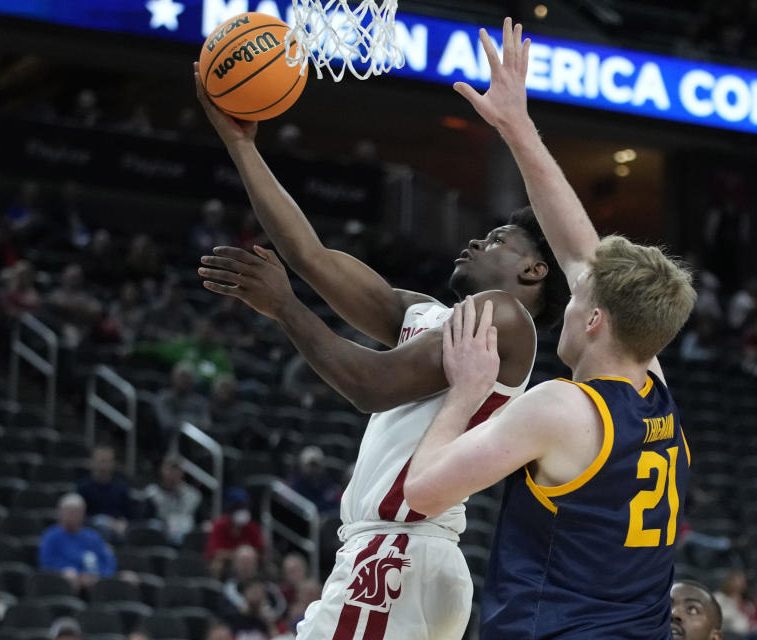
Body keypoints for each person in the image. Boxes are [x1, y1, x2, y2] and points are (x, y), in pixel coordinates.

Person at [194, 40, 567, 636]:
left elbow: (370, 385)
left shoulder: (502, 317)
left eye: (497, 238)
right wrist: (242, 146)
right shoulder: (427, 315)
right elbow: (308, 254)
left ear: (534, 271)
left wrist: (285, 308)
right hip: (398, 557)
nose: (475, 242)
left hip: (398, 552)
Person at [403, 19, 695, 639]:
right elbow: (578, 248)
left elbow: (424, 491)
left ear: (593, 320)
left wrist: (465, 394)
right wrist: (515, 123)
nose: (564, 296)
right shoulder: (654, 386)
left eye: (576, 297)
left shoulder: (561, 407)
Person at [39, 493, 117, 593]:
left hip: (96, 579)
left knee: (128, 577)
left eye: (76, 512)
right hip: (66, 580)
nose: (72, 516)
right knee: (70, 577)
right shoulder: (51, 536)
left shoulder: (92, 536)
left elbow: (108, 560)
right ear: (60, 513)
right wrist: (78, 574)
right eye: (69, 512)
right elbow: (46, 563)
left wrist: (98, 575)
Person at [205, 490, 265, 578]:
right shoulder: (220, 525)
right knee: (216, 565)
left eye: (245, 508)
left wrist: (247, 556)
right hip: (227, 563)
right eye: (239, 508)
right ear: (231, 510)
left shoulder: (252, 527)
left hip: (249, 562)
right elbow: (215, 553)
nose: (243, 511)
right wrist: (237, 555)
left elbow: (261, 551)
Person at [77, 444, 132, 540]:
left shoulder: (122, 487)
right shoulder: (82, 487)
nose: (104, 466)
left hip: (118, 531)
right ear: (92, 462)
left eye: (107, 462)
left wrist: (123, 522)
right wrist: (105, 521)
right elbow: (80, 517)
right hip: (91, 531)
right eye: (101, 461)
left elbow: (129, 514)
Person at [145, 455, 202, 544]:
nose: (173, 473)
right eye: (170, 469)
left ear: (182, 472)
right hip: (160, 533)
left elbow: (200, 519)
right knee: (153, 525)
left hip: (184, 532)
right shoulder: (152, 492)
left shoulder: (192, 495)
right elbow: (146, 518)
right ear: (162, 470)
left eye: (176, 469)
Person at [287, 446, 341, 516]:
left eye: (316, 465)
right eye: (310, 465)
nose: (313, 469)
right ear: (302, 466)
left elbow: (334, 509)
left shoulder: (329, 486)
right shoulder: (295, 485)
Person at [713, 569, 755, 636]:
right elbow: (718, 617)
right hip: (727, 633)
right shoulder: (719, 597)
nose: (739, 585)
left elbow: (751, 618)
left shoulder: (747, 603)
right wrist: (734, 605)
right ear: (729, 582)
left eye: (742, 582)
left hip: (747, 633)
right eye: (736, 582)